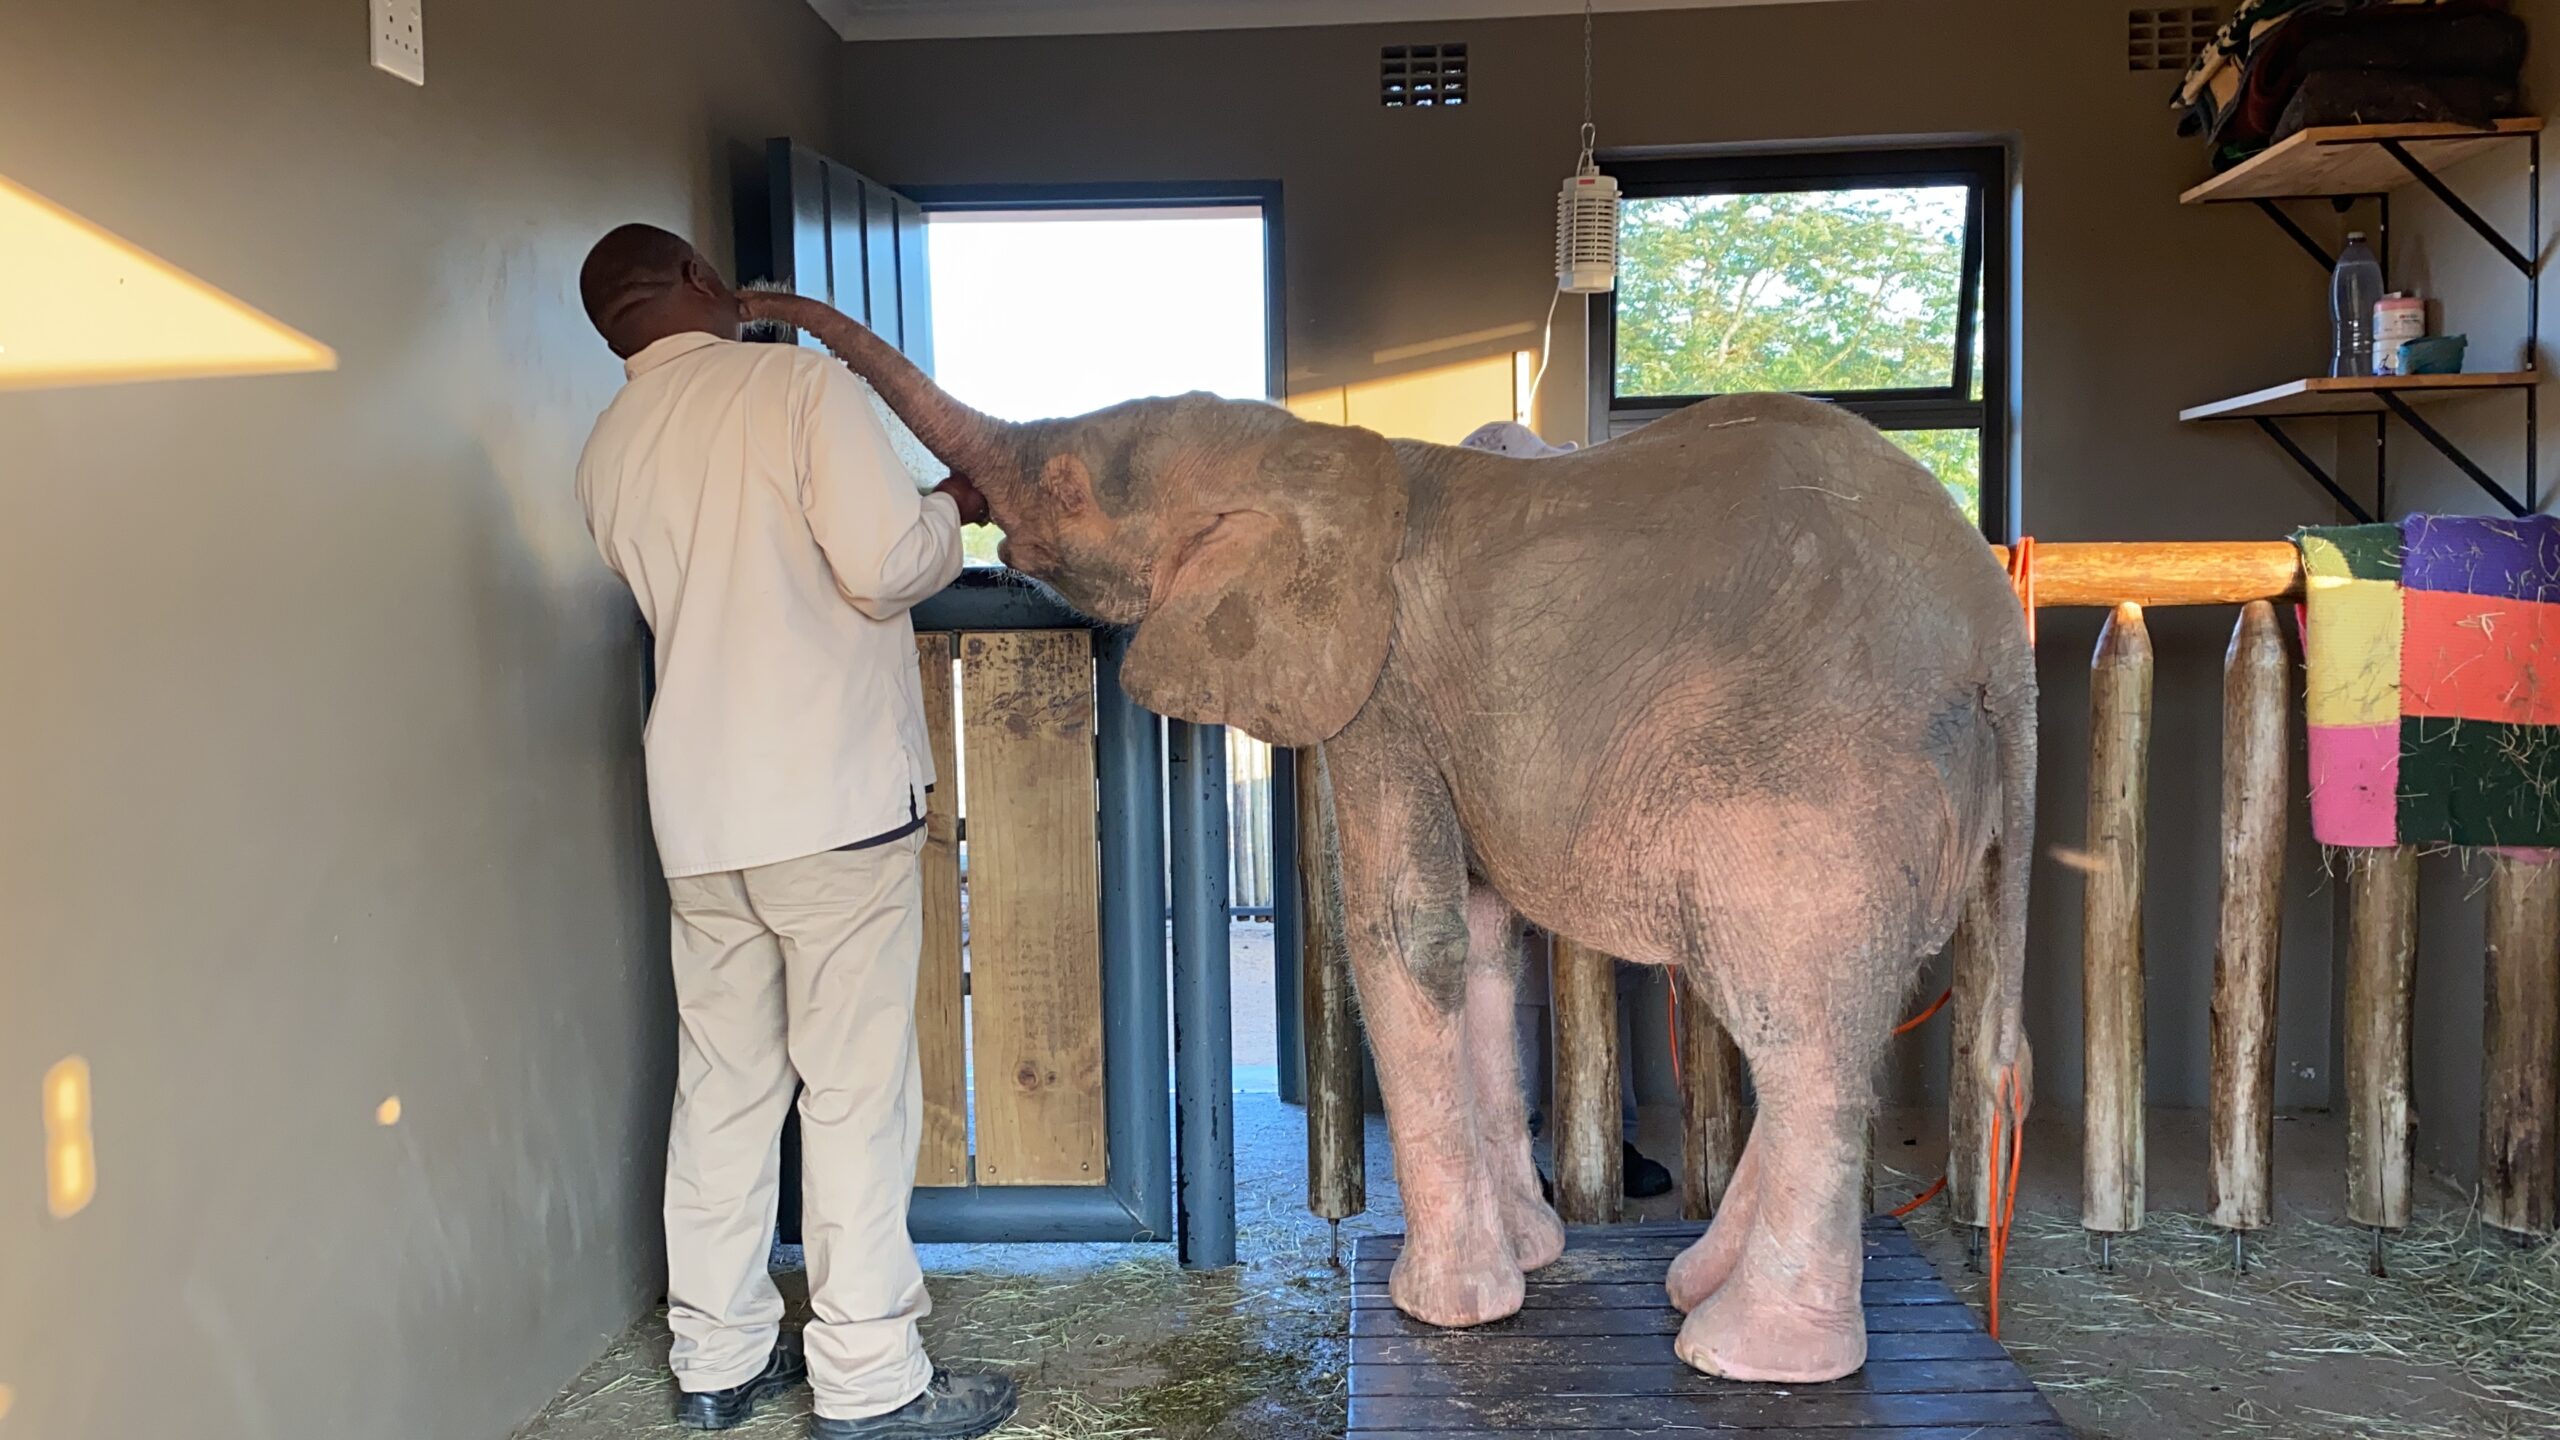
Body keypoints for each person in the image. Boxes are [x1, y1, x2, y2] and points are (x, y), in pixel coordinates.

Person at [574, 223, 1016, 1440]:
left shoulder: (606, 448)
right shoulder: (794, 383)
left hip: (700, 818)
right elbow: (883, 566)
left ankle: (716, 1362)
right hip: (828, 800)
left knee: (721, 1087)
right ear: (700, 284)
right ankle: (871, 1381)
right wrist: (949, 506)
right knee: (853, 1093)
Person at [1457, 420, 1675, 1202]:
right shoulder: (1460, 578)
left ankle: (1603, 1137)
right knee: (1496, 975)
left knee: (1596, 970)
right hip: (1494, 803)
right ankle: (1512, 1154)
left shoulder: (1587, 566)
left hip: (1584, 800)